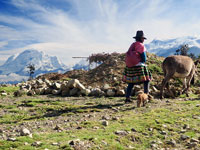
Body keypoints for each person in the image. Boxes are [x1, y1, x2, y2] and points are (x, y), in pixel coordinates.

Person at [123, 30, 152, 103]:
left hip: (129, 66)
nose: (143, 40)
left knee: (131, 82)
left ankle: (127, 98)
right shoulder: (141, 45)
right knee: (147, 79)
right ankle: (146, 96)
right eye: (143, 38)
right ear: (141, 38)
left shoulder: (132, 45)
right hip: (138, 65)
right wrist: (143, 61)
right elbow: (144, 57)